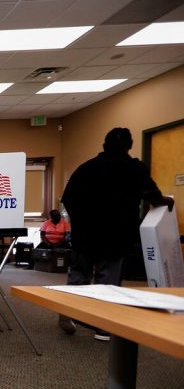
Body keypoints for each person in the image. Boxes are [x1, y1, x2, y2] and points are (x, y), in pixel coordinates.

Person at [58, 127, 174, 340]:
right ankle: (103, 326)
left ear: (104, 145)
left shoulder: (86, 168)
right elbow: (153, 195)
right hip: (116, 235)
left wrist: (80, 222)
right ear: (129, 146)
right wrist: (166, 201)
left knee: (79, 274)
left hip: (85, 234)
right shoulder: (134, 168)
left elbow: (67, 199)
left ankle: (68, 311)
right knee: (108, 279)